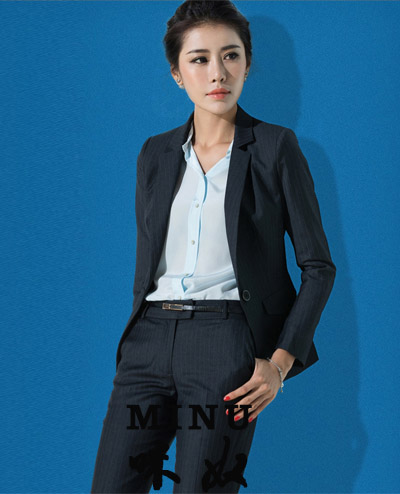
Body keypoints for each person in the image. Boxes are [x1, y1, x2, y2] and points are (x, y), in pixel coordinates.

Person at [91, 1, 336, 492]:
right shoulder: (155, 153)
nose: (217, 73)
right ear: (177, 74)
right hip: (147, 344)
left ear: (247, 64)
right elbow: (149, 257)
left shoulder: (275, 147)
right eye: (199, 59)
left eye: (230, 55)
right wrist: (136, 340)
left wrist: (280, 363)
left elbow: (318, 267)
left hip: (224, 345)